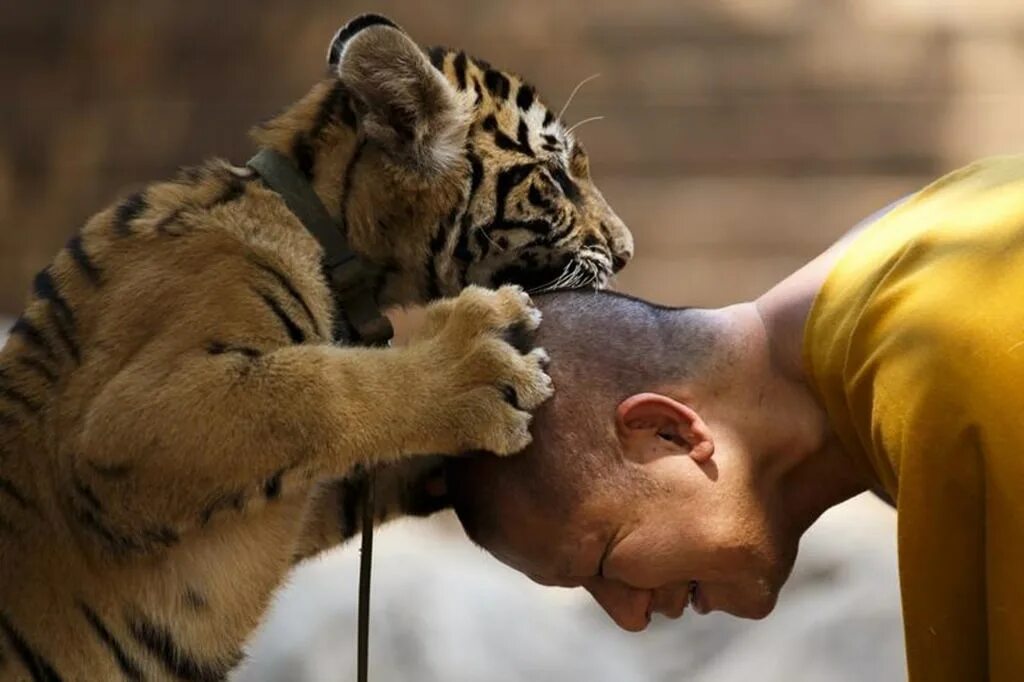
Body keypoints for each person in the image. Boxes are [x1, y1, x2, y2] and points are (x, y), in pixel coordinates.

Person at [445, 156, 1024, 681]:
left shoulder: (954, 358)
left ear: (667, 430)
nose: (630, 618)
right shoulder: (914, 259)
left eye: (602, 563)